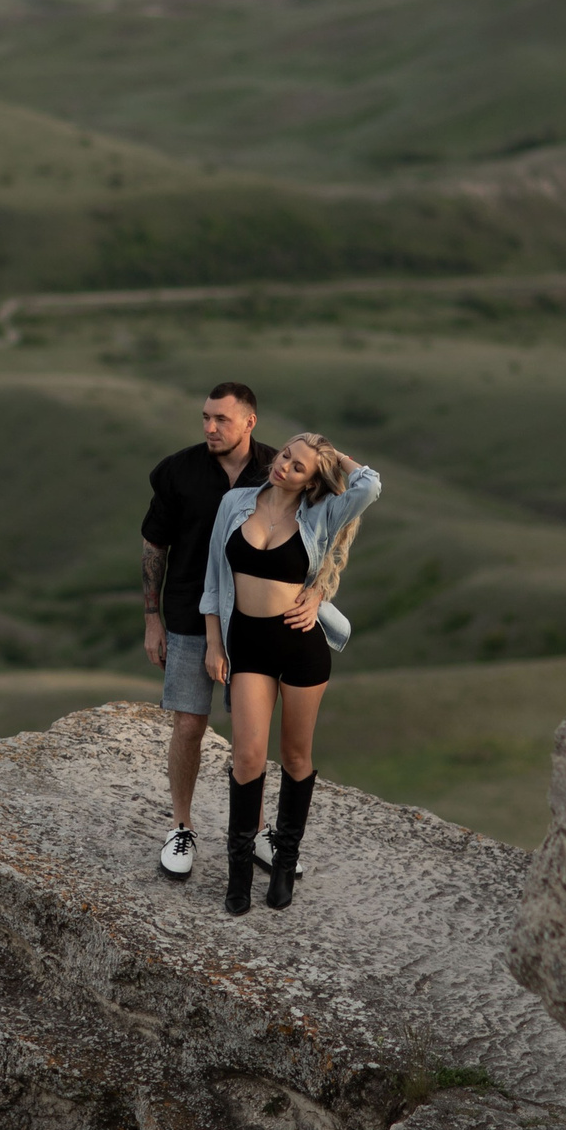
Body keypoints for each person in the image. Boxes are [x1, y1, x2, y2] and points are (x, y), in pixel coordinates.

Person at [200, 432, 382, 915]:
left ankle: (284, 863)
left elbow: (369, 486)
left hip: (301, 647)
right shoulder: (236, 503)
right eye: (285, 455)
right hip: (248, 646)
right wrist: (214, 643)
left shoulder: (320, 512)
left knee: (295, 756)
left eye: (299, 466)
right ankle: (239, 873)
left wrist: (335, 456)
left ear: (311, 482)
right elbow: (213, 578)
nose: (284, 466)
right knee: (246, 758)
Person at [140, 384, 276, 882]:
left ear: (249, 422)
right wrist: (152, 618)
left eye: (221, 419)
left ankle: (255, 830)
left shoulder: (277, 470)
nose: (210, 428)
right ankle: (181, 827)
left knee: (251, 732)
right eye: (205, 417)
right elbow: (154, 547)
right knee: (188, 725)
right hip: (187, 614)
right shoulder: (178, 471)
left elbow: (313, 532)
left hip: (256, 619)